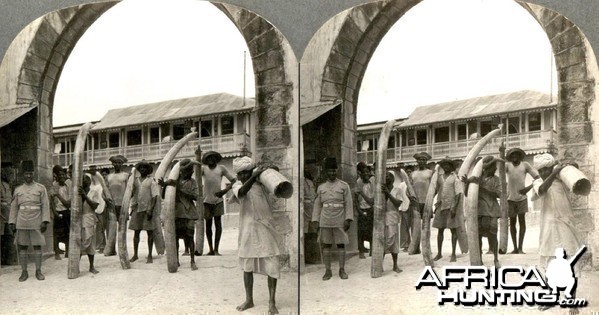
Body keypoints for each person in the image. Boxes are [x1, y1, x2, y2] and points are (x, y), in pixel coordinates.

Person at [531, 154, 582, 315]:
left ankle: (572, 302)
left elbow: (575, 168)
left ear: (552, 167)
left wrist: (565, 164)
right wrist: (554, 173)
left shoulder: (562, 179)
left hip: (566, 226)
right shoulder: (538, 182)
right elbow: (542, 190)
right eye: (542, 170)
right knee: (549, 265)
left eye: (548, 169)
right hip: (549, 229)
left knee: (571, 263)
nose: (545, 172)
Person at [230, 157, 282, 314]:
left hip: (266, 227)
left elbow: (276, 173)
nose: (244, 176)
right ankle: (249, 299)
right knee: (247, 265)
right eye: (242, 174)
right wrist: (253, 176)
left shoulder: (262, 184)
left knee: (272, 263)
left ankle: (272, 302)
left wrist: (265, 169)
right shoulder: (238, 185)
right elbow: (243, 191)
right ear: (238, 176)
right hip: (248, 229)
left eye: (248, 172)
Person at [311, 157, 353, 280]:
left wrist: (348, 219)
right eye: (329, 171)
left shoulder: (344, 186)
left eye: (334, 170)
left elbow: (348, 203)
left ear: (337, 170)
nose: (332, 173)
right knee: (326, 245)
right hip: (325, 219)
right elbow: (317, 205)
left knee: (341, 244)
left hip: (340, 218)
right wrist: (315, 220)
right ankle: (328, 270)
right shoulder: (321, 187)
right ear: (326, 172)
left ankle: (342, 269)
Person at [8, 160, 51, 281]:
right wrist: (12, 222)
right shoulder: (18, 190)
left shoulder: (41, 188)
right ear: (23, 174)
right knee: (23, 247)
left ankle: (38, 271)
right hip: (22, 221)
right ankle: (24, 272)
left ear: (34, 173)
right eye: (26, 173)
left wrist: (45, 221)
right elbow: (14, 207)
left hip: (36, 220)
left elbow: (45, 205)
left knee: (37, 246)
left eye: (30, 173)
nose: (28, 176)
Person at [159, 159, 200, 270]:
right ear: (182, 171)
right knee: (175, 238)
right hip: (176, 213)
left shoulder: (193, 182)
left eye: (191, 169)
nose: (191, 171)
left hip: (189, 213)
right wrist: (165, 185)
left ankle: (192, 261)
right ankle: (176, 260)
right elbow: (164, 196)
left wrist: (178, 189)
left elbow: (195, 196)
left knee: (190, 237)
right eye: (189, 169)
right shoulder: (173, 181)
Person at [463, 156, 503, 267]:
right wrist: (468, 183)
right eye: (492, 167)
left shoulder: (496, 179)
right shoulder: (476, 179)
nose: (495, 169)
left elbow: (498, 194)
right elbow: (467, 194)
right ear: (486, 168)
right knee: (478, 236)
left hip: (492, 211)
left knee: (493, 235)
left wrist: (481, 186)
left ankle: (496, 259)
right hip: (479, 211)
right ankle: (479, 258)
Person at [200, 151, 236, 256]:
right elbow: (196, 175)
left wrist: (224, 191)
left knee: (218, 225)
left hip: (218, 201)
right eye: (208, 158)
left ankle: (216, 249)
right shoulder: (203, 169)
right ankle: (210, 249)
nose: (211, 160)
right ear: (206, 160)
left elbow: (233, 180)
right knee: (208, 226)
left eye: (213, 158)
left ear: (216, 158)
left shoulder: (222, 168)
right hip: (206, 201)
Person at [505, 147, 540, 254]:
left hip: (522, 198)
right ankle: (515, 248)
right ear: (510, 157)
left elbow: (537, 177)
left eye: (517, 155)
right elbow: (500, 170)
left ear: (520, 156)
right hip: (510, 198)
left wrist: (528, 188)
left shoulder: (525, 165)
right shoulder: (507, 166)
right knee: (512, 222)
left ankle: (520, 248)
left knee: (522, 222)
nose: (515, 157)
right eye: (512, 156)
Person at [432, 158, 463, 262]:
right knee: (440, 230)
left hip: (451, 206)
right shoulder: (439, 178)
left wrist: (454, 208)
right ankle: (439, 253)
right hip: (440, 206)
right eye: (444, 165)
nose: (446, 167)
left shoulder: (455, 178)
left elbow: (458, 194)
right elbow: (435, 190)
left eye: (448, 165)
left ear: (451, 167)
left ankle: (453, 253)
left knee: (453, 230)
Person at [129, 160, 160, 263]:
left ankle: (150, 255)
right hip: (137, 209)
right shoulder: (135, 180)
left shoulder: (151, 181)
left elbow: (155, 196)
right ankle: (135, 255)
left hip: (147, 209)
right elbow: (131, 193)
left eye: (144, 168)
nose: (142, 169)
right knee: (136, 232)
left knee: (149, 233)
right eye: (141, 168)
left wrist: (151, 209)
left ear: (148, 170)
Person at [409, 152, 433, 255]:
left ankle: (427, 248)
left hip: (426, 202)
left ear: (426, 161)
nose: (421, 161)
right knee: (416, 227)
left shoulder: (430, 172)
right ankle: (415, 248)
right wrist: (410, 198)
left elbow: (434, 187)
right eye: (420, 159)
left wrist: (431, 198)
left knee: (426, 226)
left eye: (423, 159)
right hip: (416, 203)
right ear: (417, 161)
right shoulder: (413, 174)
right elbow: (409, 188)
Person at [106, 154, 129, 256]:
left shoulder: (126, 175)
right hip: (111, 205)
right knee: (111, 228)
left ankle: (123, 250)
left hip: (122, 205)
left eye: (119, 163)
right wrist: (106, 200)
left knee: (122, 228)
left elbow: (130, 190)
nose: (117, 164)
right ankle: (111, 249)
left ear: (122, 164)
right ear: (112, 164)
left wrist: (127, 201)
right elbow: (105, 190)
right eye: (115, 162)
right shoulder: (108, 177)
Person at [79, 173, 101, 274]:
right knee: (79, 243)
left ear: (89, 181)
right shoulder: (77, 193)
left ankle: (91, 266)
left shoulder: (94, 192)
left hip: (90, 219)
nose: (84, 181)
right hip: (79, 220)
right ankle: (75, 266)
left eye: (85, 180)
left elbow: (95, 206)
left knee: (90, 243)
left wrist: (85, 196)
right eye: (82, 180)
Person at [382, 172, 403, 273]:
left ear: (393, 179)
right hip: (382, 218)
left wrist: (388, 194)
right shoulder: (380, 190)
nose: (387, 179)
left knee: (393, 242)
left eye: (388, 177)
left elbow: (398, 203)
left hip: (393, 217)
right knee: (382, 242)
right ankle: (379, 265)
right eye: (385, 177)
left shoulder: (397, 190)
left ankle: (395, 265)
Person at [50, 165, 71, 260]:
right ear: (57, 176)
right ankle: (56, 253)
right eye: (60, 175)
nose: (62, 177)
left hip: (66, 211)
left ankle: (67, 251)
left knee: (67, 232)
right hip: (57, 211)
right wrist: (55, 213)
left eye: (63, 175)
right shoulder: (54, 185)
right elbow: (51, 202)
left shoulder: (67, 186)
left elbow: (68, 203)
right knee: (57, 234)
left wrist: (58, 195)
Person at [355, 161, 374, 259]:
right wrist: (359, 211)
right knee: (361, 231)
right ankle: (361, 252)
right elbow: (356, 200)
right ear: (360, 174)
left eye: (367, 172)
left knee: (371, 230)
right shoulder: (358, 182)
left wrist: (361, 193)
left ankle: (372, 250)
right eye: (364, 172)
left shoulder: (372, 182)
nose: (366, 174)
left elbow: (371, 201)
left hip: (370, 208)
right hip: (361, 209)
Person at [397, 169, 412, 252]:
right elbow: (399, 197)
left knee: (413, 227)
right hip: (404, 207)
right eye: (408, 172)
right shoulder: (401, 185)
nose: (409, 174)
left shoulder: (413, 184)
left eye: (410, 172)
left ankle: (413, 244)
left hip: (413, 207)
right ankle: (406, 245)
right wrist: (400, 208)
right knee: (404, 227)